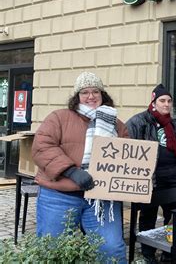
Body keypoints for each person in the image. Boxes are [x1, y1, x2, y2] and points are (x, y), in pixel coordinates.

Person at [32, 71, 128, 263]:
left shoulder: (117, 125)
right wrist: (71, 171)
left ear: (103, 95)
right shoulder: (59, 117)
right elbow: (42, 146)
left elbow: (128, 156)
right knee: (52, 248)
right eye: (85, 92)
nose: (91, 96)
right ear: (77, 96)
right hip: (60, 194)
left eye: (95, 91)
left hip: (100, 199)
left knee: (111, 249)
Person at [126, 84, 176, 264]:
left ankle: (169, 254)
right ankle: (148, 254)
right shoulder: (139, 121)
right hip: (152, 179)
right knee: (148, 217)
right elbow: (127, 146)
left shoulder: (172, 123)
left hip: (173, 177)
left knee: (175, 217)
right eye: (162, 100)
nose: (166, 104)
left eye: (169, 101)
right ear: (153, 102)